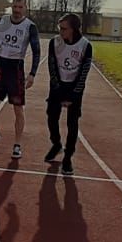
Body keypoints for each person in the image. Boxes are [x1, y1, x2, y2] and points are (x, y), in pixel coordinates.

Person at [0, 0, 41, 159]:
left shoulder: (30, 27)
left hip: (16, 70)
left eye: (20, 7)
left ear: (25, 8)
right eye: (14, 6)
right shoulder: (1, 22)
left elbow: (36, 51)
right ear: (11, 6)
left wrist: (32, 74)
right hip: (0, 67)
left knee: (18, 109)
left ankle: (17, 144)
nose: (17, 10)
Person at [44, 13, 93, 176]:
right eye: (60, 28)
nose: (60, 32)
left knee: (72, 123)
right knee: (51, 116)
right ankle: (56, 143)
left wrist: (72, 96)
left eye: (64, 29)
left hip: (75, 87)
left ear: (74, 29)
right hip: (57, 85)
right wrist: (58, 91)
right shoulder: (54, 42)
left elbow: (84, 72)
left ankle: (68, 157)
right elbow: (51, 66)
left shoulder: (86, 46)